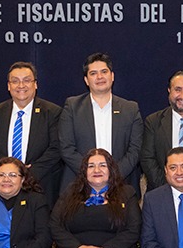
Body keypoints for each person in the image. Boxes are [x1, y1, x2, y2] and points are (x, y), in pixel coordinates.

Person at [58, 53, 143, 194]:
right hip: (80, 187)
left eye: (104, 72)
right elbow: (66, 148)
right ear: (86, 80)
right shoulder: (72, 107)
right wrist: (91, 173)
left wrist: (113, 175)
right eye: (93, 73)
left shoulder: (130, 109)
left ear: (112, 76)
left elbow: (135, 150)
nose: (99, 77)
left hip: (122, 185)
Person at [0, 62, 62, 207]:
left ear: (35, 84)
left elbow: (56, 148)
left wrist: (26, 174)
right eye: (15, 81)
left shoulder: (52, 112)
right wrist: (9, 172)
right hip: (3, 188)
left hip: (40, 185)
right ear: (8, 86)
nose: (21, 85)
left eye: (26, 80)